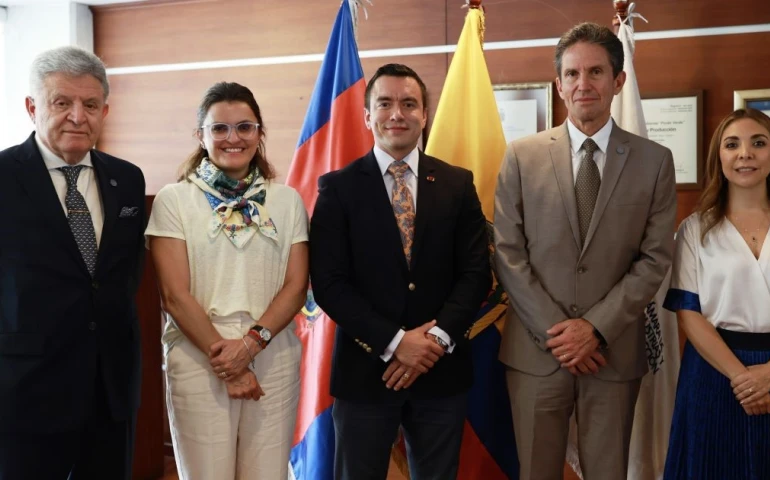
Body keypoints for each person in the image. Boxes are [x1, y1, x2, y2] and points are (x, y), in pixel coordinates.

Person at [493, 22, 677, 480]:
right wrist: (561, 333)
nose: (583, 84)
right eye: (572, 74)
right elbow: (508, 253)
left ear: (618, 81)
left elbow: (655, 258)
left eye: (596, 72)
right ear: (558, 84)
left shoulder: (654, 161)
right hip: (536, 354)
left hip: (611, 354)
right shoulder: (521, 156)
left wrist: (595, 329)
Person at [309, 63, 491, 480]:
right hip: (365, 372)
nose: (397, 114)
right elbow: (330, 284)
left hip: (440, 369)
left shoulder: (457, 184)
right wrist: (395, 342)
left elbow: (476, 273)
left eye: (409, 104)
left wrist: (433, 341)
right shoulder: (337, 188)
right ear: (367, 115)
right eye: (385, 103)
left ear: (424, 114)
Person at [146, 82, 309, 480]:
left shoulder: (286, 200)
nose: (232, 138)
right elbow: (174, 295)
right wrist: (232, 365)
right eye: (219, 128)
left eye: (245, 127)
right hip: (200, 354)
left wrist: (251, 345)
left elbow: (296, 285)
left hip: (273, 354)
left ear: (260, 133)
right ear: (201, 136)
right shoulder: (174, 199)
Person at [0, 46, 146, 479]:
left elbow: (124, 275)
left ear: (106, 109)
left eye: (90, 104)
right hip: (24, 391)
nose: (77, 117)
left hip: (111, 389)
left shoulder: (128, 178)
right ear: (32, 107)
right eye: (62, 103)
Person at [663, 108, 770, 479]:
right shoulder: (694, 229)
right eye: (732, 144)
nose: (745, 153)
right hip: (714, 374)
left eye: (758, 143)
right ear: (719, 158)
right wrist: (744, 379)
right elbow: (689, 314)